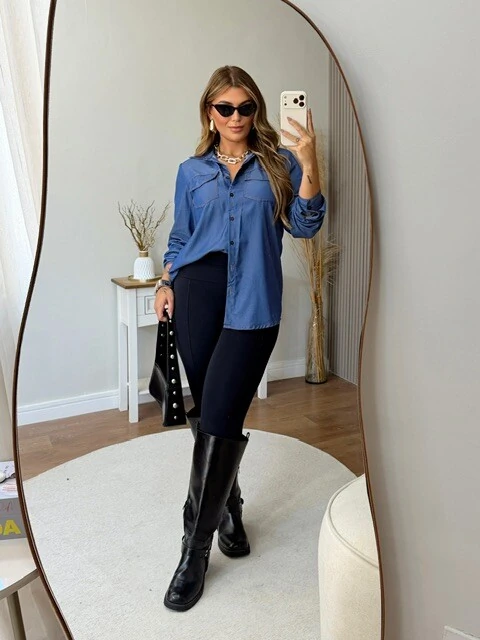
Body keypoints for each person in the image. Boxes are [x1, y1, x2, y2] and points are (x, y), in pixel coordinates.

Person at [154, 65, 326, 612]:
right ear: (209, 112)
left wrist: (310, 162)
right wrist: (164, 282)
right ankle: (228, 508)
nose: (235, 117)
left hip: (253, 299)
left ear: (257, 111)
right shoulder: (190, 171)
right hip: (196, 294)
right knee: (211, 413)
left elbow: (306, 224)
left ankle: (193, 550)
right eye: (224, 108)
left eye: (245, 107)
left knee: (223, 413)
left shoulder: (278, 164)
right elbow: (180, 237)